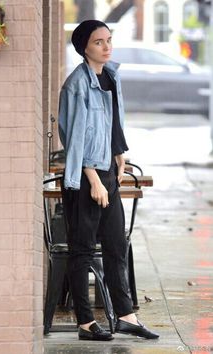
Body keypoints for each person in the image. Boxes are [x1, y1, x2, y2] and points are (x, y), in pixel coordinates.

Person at [58, 20, 159, 341]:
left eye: (109, 40)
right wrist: (93, 178)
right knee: (83, 250)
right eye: (99, 42)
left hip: (108, 171)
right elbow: (75, 137)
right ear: (84, 47)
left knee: (117, 245)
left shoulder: (111, 77)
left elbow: (113, 122)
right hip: (87, 177)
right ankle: (86, 323)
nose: (106, 46)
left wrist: (120, 155)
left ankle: (126, 316)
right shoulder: (76, 84)